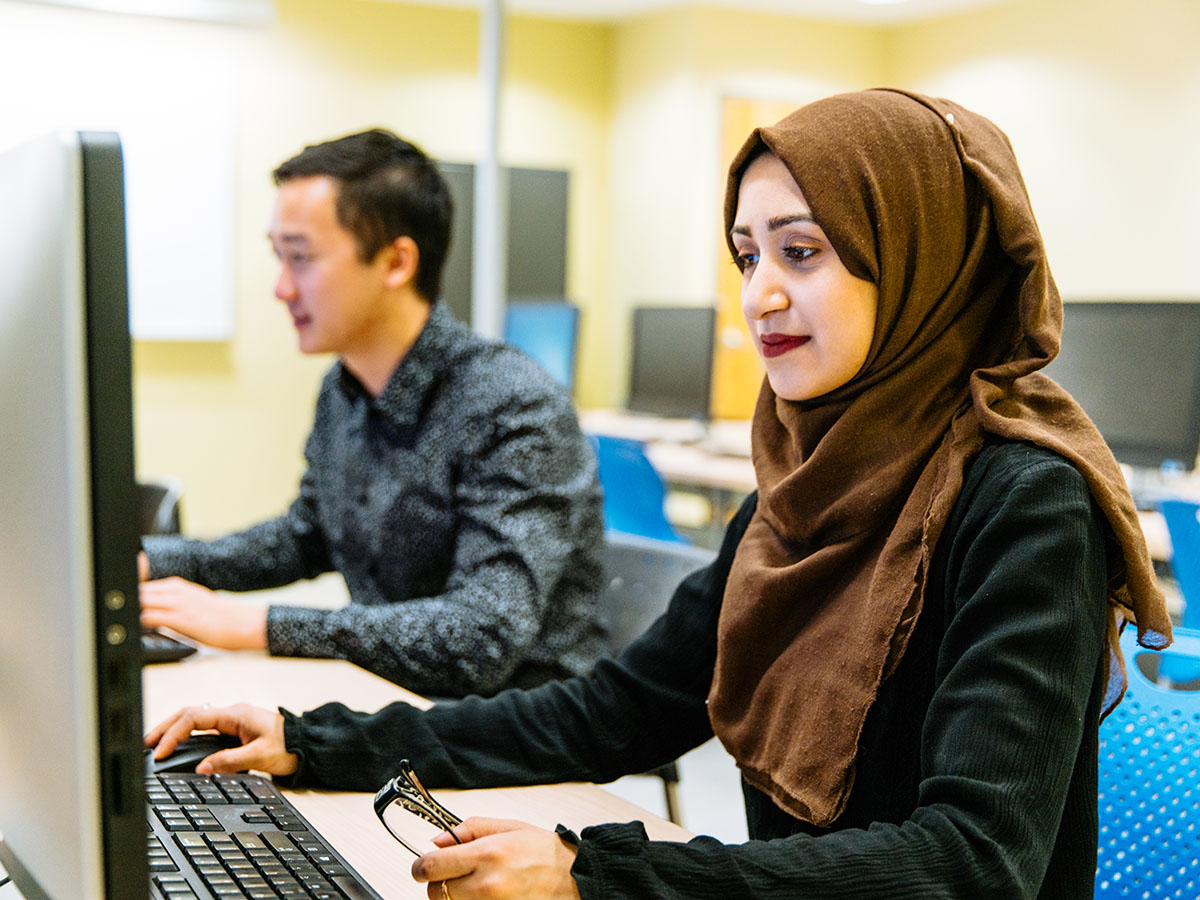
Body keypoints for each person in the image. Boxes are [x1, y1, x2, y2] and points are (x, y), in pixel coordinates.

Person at [147, 90, 1173, 898]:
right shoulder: (803, 487)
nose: (759, 293)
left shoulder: (1025, 503)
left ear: (917, 257)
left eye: (802, 252)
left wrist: (599, 875)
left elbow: (971, 867)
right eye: (746, 254)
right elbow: (615, 715)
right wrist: (317, 739)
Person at [139, 128, 607, 699]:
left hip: (508, 734)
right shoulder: (345, 387)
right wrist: (148, 562)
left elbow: (481, 637)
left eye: (301, 258)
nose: (281, 288)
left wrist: (258, 625)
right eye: (277, 257)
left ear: (395, 262)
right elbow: (307, 537)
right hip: (396, 704)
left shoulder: (512, 405)